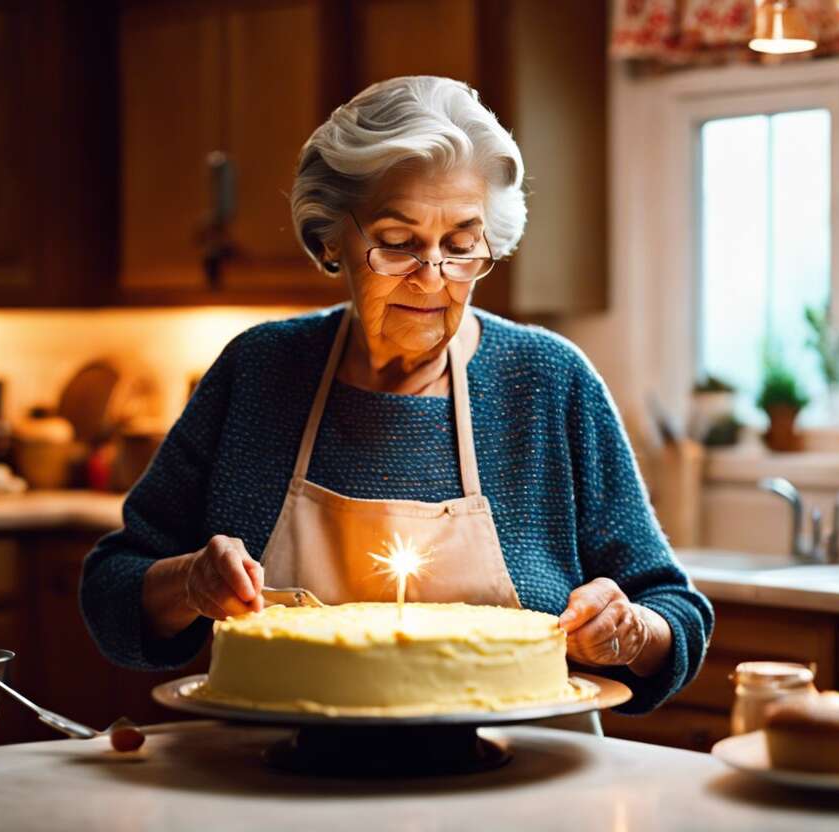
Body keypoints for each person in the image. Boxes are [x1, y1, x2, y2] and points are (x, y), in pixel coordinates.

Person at [81, 76, 713, 718]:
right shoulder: (260, 373)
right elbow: (113, 590)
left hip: (516, 793)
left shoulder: (547, 381)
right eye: (398, 242)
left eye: (463, 246)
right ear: (330, 238)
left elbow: (674, 611)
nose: (432, 275)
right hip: (280, 788)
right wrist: (189, 582)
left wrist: (631, 630)